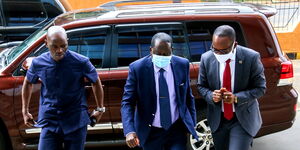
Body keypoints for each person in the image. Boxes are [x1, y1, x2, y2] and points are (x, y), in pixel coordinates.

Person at [21, 26, 105, 150]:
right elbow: (28, 82)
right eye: (55, 46)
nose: (60, 50)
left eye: (63, 45)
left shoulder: (81, 61)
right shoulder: (38, 63)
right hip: (49, 120)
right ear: (46, 43)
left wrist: (100, 109)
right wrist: (25, 110)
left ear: (67, 42)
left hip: (76, 120)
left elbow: (96, 81)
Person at [121, 32, 198, 150]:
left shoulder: (182, 64)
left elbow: (188, 97)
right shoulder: (138, 68)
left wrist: (191, 124)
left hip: (175, 129)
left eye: (166, 54)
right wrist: (129, 130)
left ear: (172, 50)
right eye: (158, 53)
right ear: (151, 50)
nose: (162, 57)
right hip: (150, 131)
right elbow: (127, 103)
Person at [197, 25, 266, 150]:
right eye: (215, 49)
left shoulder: (251, 57)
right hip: (218, 120)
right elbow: (201, 86)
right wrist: (211, 96)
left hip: (242, 119)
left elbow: (260, 88)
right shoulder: (206, 58)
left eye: (223, 51)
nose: (218, 53)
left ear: (234, 45)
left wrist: (236, 98)